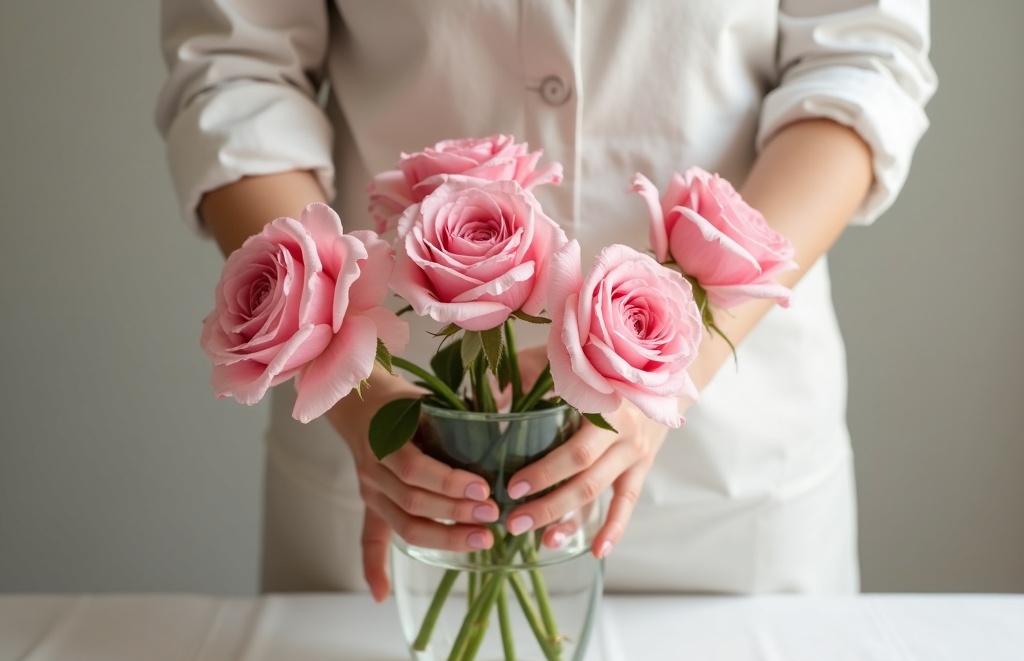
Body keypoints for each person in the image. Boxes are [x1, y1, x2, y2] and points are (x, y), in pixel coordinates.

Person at [156, 2, 936, 600]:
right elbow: (237, 69)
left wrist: (665, 365)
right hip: (402, 474)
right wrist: (357, 397)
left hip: (733, 490)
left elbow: (859, 58)